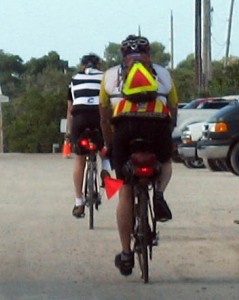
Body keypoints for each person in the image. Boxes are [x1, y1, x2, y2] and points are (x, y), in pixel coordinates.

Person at [99, 35, 178, 276]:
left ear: (122, 56)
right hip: (157, 126)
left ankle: (125, 255)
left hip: (125, 131)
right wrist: (167, 132)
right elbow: (173, 108)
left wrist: (109, 144)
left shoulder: (110, 76)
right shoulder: (163, 74)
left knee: (124, 190)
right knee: (165, 161)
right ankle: (160, 195)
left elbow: (104, 115)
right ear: (149, 55)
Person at [66, 53, 110, 218]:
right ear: (98, 65)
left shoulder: (74, 79)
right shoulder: (105, 78)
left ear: (82, 66)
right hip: (98, 117)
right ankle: (105, 172)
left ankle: (78, 202)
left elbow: (70, 109)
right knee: (106, 145)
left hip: (80, 118)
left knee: (79, 159)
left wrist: (69, 135)